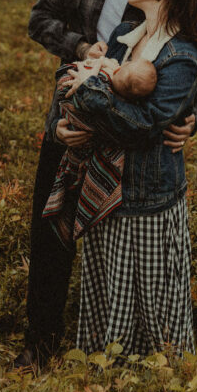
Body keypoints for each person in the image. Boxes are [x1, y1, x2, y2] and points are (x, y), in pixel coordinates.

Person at [14, 0, 197, 369]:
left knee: (111, 237)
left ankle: (121, 345)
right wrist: (82, 50)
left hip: (127, 129)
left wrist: (196, 116)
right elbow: (40, 19)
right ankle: (40, 343)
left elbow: (188, 63)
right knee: (52, 229)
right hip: (75, 113)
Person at [60, 0, 197, 356]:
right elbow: (94, 89)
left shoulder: (181, 56)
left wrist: (90, 92)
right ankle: (106, 367)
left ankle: (156, 373)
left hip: (147, 193)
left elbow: (142, 125)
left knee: (151, 290)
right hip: (106, 181)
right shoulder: (126, 33)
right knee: (109, 282)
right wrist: (69, 120)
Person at [41, 55, 157, 249]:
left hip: (83, 134)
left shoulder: (104, 82)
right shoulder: (119, 92)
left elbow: (75, 78)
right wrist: (55, 129)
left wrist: (94, 75)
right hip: (78, 133)